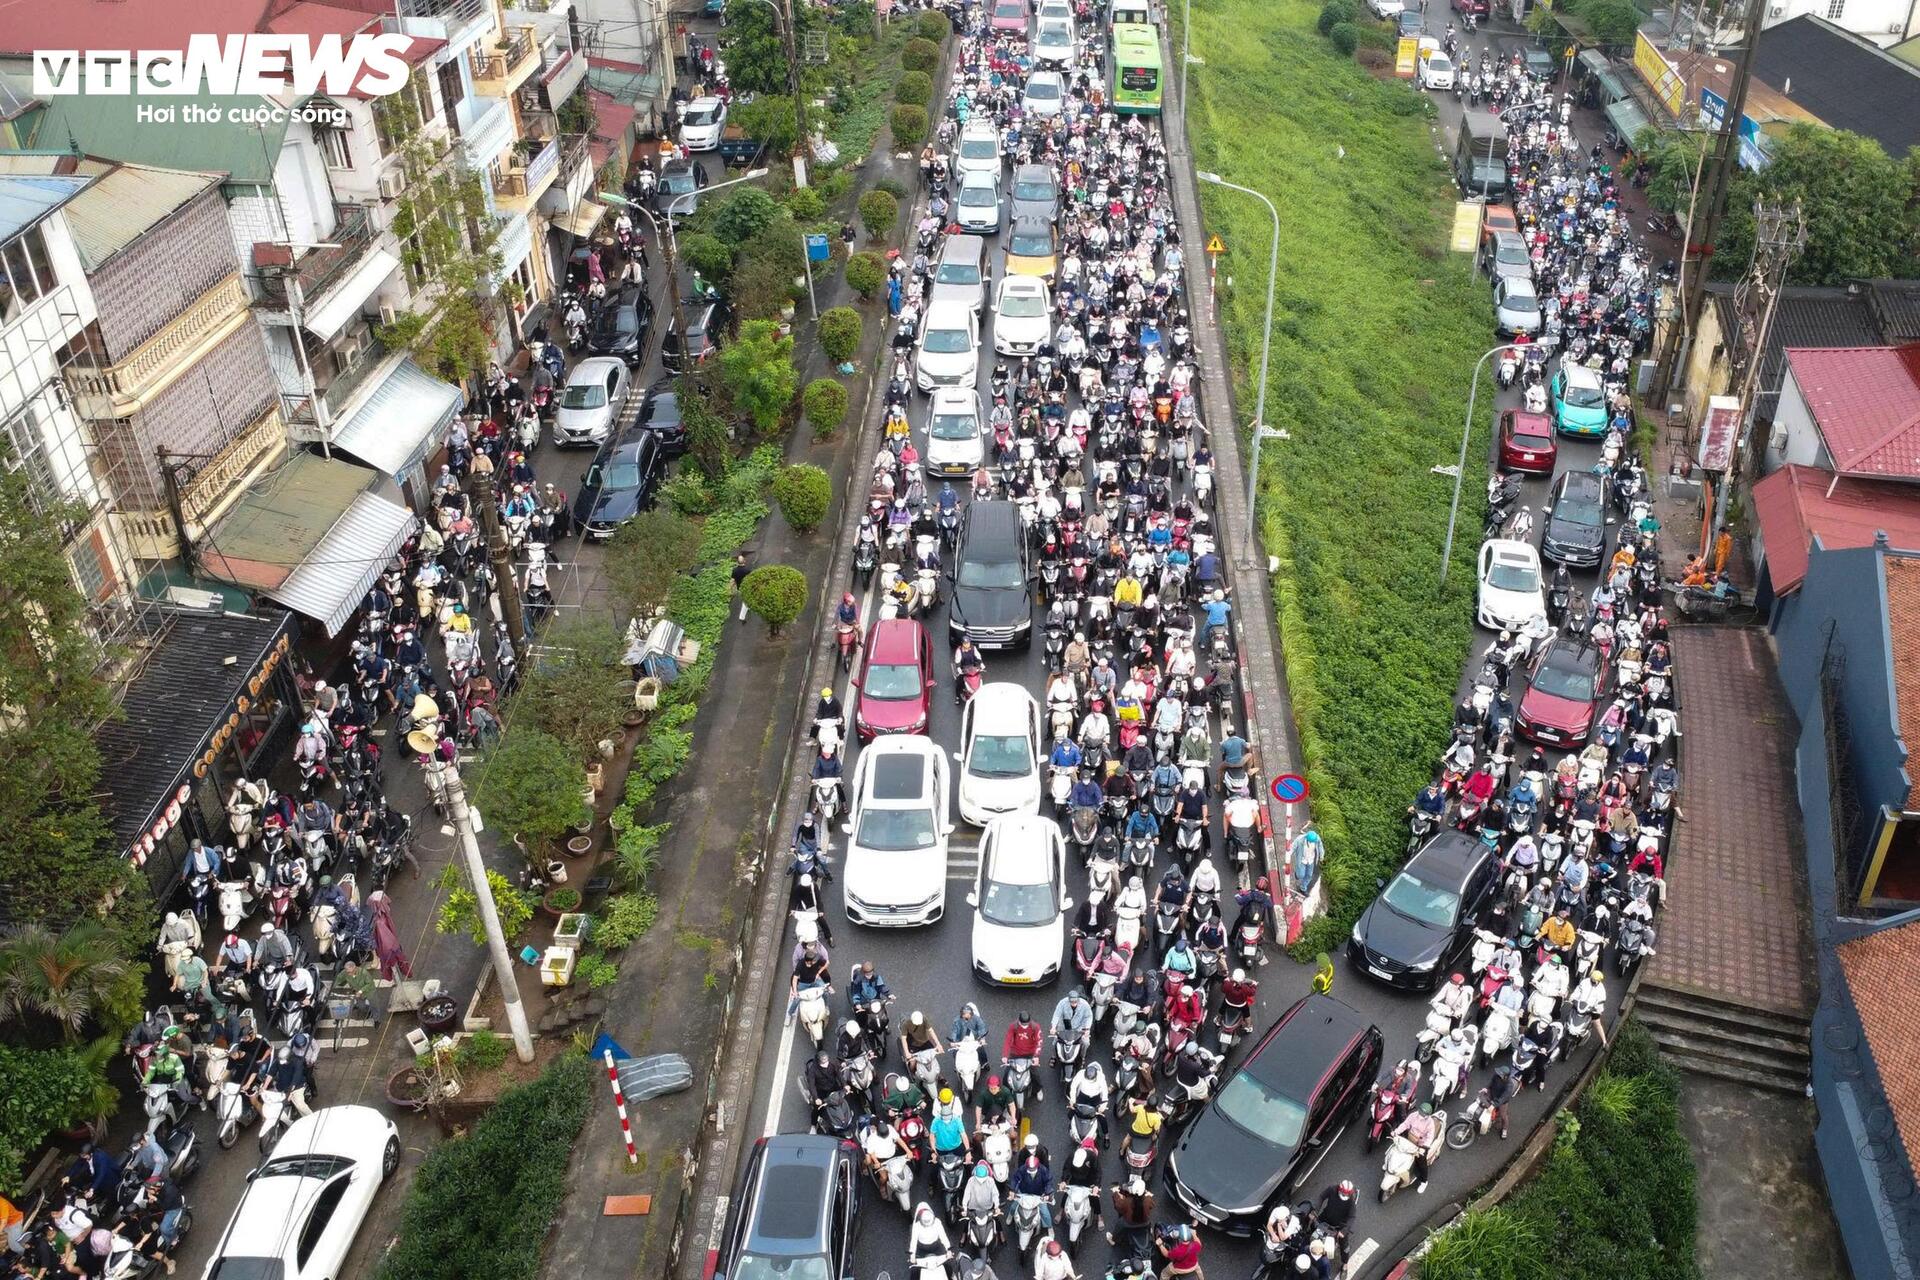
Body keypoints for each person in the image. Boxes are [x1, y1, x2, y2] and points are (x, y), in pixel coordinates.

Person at [1392, 1103, 1440, 1193]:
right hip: (1410, 1138)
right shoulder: (1413, 1115)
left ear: (1428, 1116)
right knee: (1398, 1147)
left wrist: (1424, 1147)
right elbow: (1405, 1124)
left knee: (1421, 1162)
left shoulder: (1430, 1123)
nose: (1421, 1115)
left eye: (1423, 1114)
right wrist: (1396, 1131)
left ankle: (1424, 1181)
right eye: (1420, 1112)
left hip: (1421, 1144)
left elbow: (1429, 1138)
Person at [1003, 1011, 1046, 1101]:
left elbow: (1039, 1041)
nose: (1024, 1025)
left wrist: (1036, 1056)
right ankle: (1005, 1092)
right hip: (1015, 1053)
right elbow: (1008, 1040)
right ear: (1019, 1021)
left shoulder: (1035, 1027)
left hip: (1030, 1054)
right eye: (1022, 1024)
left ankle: (1038, 1089)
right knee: (1007, 1073)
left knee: (1034, 1074)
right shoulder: (1013, 1026)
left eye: (1026, 1024)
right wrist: (1005, 1056)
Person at [1109, 1175, 1156, 1257]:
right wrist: (1148, 1195)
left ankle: (1113, 1240)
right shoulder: (1147, 1200)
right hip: (1144, 1223)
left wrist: (1115, 1193)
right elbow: (1152, 1205)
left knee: (1119, 1226)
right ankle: (1150, 1231)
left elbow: (1117, 1206)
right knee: (1149, 1222)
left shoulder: (1126, 1201)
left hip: (1129, 1223)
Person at [908, 1202, 953, 1278]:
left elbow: (943, 1236)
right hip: (922, 1249)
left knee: (948, 1267)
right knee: (914, 1272)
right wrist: (912, 1255)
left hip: (936, 1247)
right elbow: (913, 1241)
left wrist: (948, 1249)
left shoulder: (937, 1222)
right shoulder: (916, 1225)